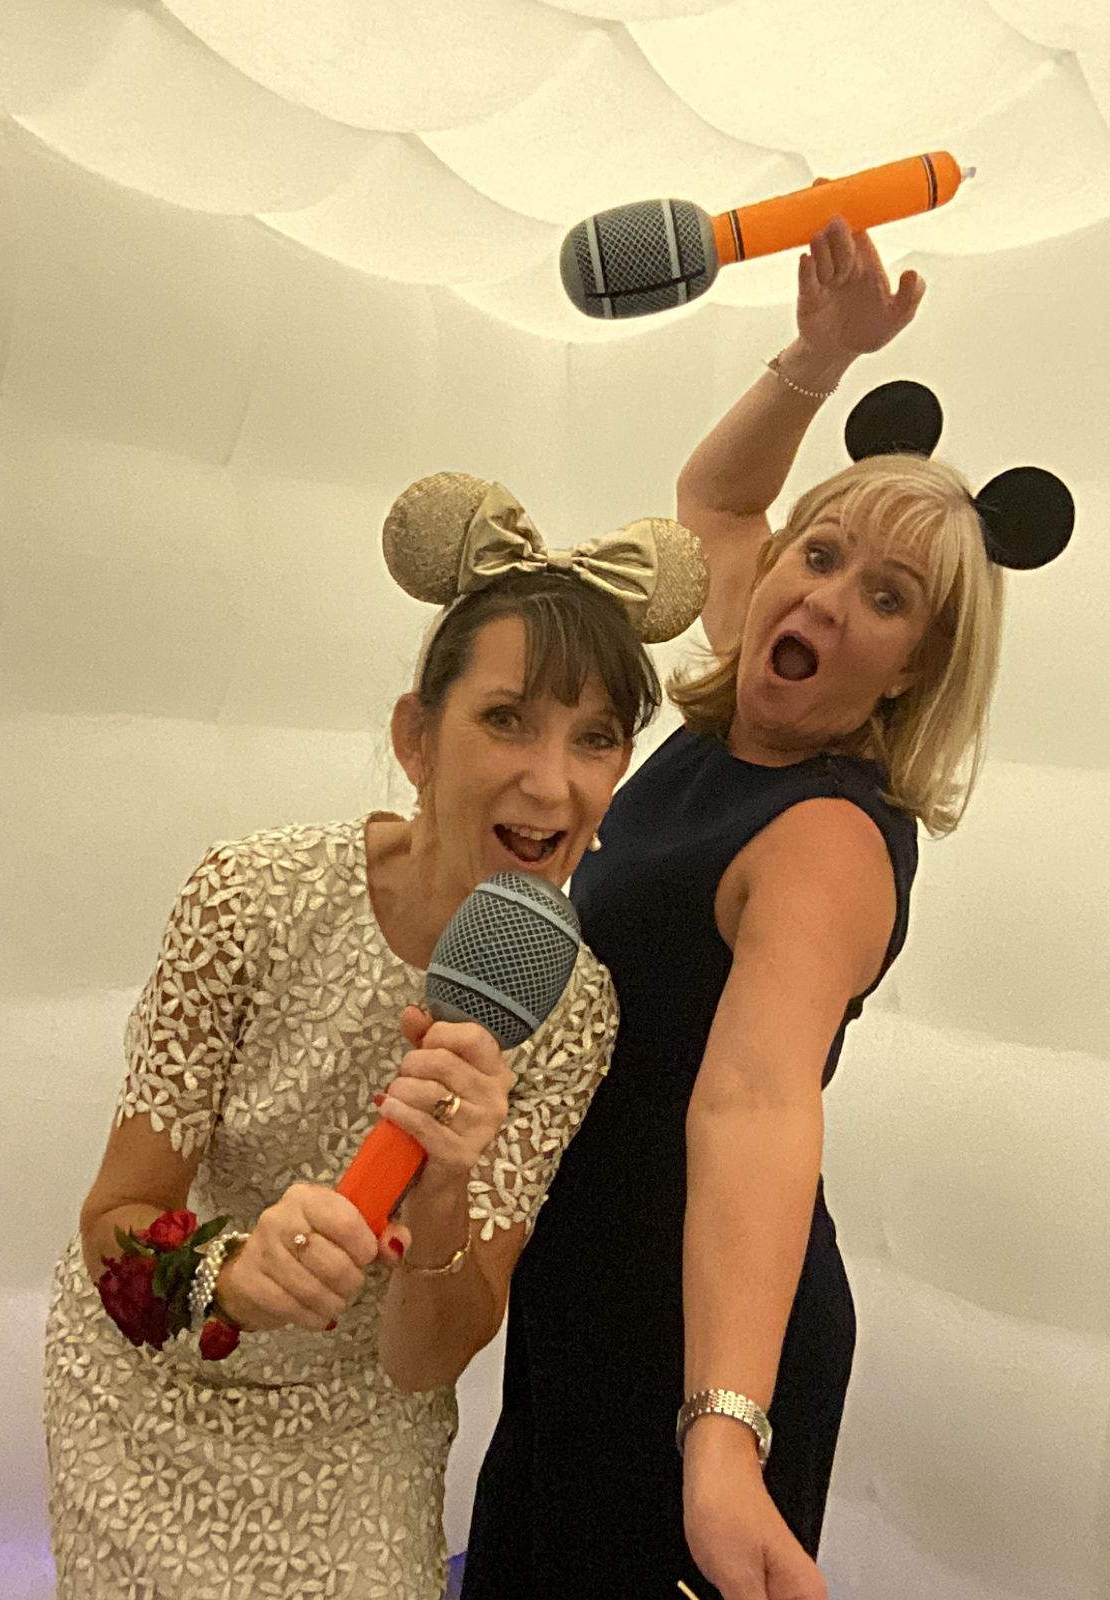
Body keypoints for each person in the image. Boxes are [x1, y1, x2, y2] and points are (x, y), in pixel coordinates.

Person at [460, 218, 1072, 1600]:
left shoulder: (827, 840)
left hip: (702, 1326)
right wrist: (820, 355)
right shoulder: (748, 699)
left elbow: (751, 1104)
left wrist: (723, 1436)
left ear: (912, 668)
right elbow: (720, 501)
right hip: (584, 1277)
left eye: (887, 597)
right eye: (821, 554)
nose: (828, 595)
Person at [42, 474, 707, 1600]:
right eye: (507, 719)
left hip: (359, 1420)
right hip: (148, 1387)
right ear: (416, 738)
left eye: (595, 739)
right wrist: (232, 1271)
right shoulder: (250, 896)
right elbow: (115, 1220)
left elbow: (424, 1358)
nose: (553, 781)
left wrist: (444, 1185)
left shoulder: (573, 1007)